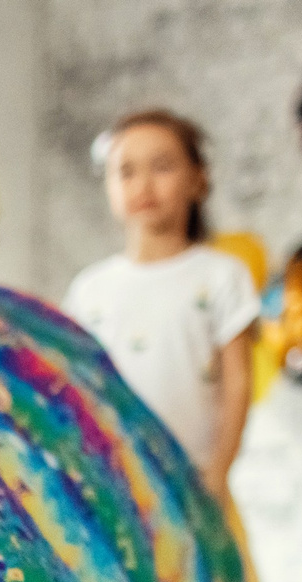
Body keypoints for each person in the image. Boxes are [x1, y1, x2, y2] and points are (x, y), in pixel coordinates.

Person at [65, 112, 260, 511]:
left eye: (162, 166)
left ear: (198, 179)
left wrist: (219, 472)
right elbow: (74, 386)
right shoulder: (89, 290)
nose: (143, 185)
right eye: (126, 171)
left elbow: (238, 383)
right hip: (112, 489)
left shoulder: (221, 276)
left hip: (194, 487)